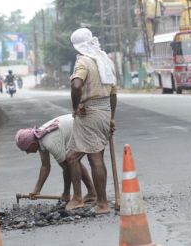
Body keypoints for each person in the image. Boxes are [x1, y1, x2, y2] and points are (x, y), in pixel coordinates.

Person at [66, 28, 117, 214]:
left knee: (77, 157)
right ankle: (94, 199)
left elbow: (76, 84)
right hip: (104, 111)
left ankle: (92, 201)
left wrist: (76, 105)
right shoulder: (105, 60)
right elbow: (113, 93)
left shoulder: (83, 61)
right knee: (93, 157)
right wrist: (111, 117)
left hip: (89, 112)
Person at [15, 114, 97, 202]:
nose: (27, 153)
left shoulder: (49, 141)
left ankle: (77, 198)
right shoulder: (39, 136)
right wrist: (37, 190)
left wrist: (66, 193)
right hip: (82, 126)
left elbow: (67, 169)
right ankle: (92, 193)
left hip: (89, 127)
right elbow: (45, 166)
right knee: (73, 160)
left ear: (32, 144)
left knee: (71, 160)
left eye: (26, 150)